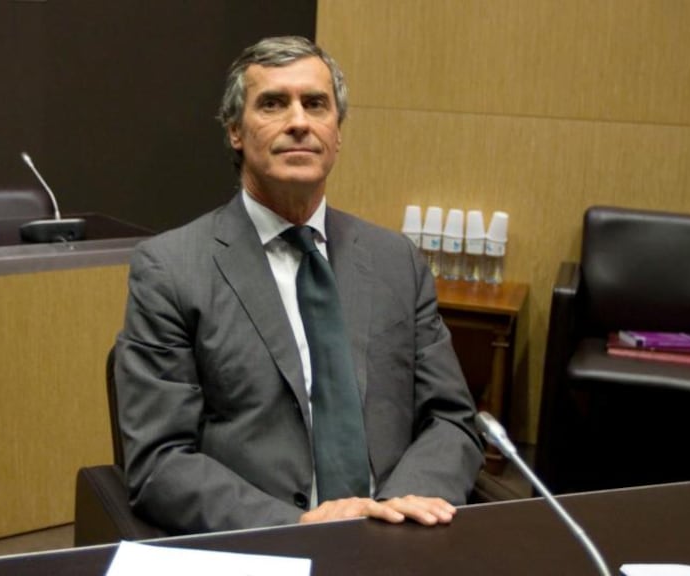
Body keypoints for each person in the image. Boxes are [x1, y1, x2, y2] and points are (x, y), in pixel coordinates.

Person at [114, 35, 484, 535]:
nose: (298, 122)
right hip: (268, 540)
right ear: (235, 132)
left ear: (337, 132)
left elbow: (451, 418)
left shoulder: (397, 260)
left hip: (401, 536)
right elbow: (160, 460)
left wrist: (395, 509)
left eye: (315, 104)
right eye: (272, 104)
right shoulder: (172, 269)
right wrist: (299, 524)